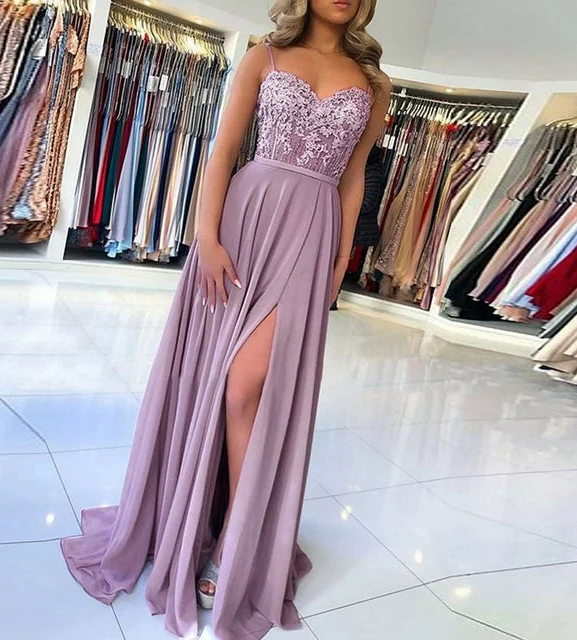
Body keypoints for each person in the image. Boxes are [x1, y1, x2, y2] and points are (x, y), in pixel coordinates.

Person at [60, 1, 390, 639]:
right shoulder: (264, 57)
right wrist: (206, 237)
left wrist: (340, 261)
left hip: (313, 229)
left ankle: (236, 532)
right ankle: (200, 515)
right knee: (222, 380)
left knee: (248, 384)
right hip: (245, 221)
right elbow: (223, 150)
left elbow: (353, 179)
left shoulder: (373, 83)